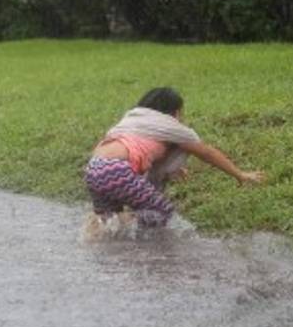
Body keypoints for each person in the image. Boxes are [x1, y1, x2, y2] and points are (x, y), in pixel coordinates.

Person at [85, 87, 265, 229]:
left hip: (94, 168)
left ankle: (102, 230)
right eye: (181, 113)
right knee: (163, 213)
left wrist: (170, 169)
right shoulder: (169, 126)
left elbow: (143, 152)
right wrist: (240, 174)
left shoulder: (132, 119)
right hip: (116, 169)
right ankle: (118, 220)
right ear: (174, 112)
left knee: (108, 232)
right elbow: (207, 153)